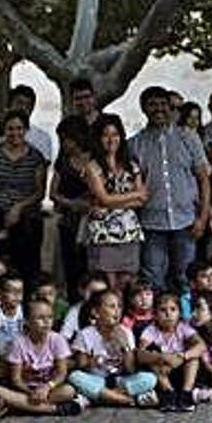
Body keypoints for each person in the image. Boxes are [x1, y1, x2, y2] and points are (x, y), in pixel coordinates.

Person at [129, 87, 212, 292]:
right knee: (153, 279)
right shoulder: (134, 144)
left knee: (186, 279)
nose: (158, 109)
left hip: (186, 222)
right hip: (151, 224)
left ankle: (186, 321)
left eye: (162, 104)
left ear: (169, 107)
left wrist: (202, 218)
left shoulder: (189, 138)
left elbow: (204, 180)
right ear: (143, 108)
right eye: (152, 105)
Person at [0, 110, 47, 279]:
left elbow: (39, 192)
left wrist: (18, 207)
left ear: (26, 130)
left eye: (19, 128)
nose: (15, 133)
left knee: (27, 257)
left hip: (26, 213)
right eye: (10, 129)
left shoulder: (35, 157)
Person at [85, 114, 147, 293]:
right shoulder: (92, 167)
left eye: (115, 134)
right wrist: (133, 195)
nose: (111, 139)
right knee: (106, 287)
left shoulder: (132, 166)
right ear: (98, 138)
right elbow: (104, 198)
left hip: (130, 233)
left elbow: (142, 200)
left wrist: (110, 203)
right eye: (106, 135)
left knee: (128, 286)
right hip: (103, 234)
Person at [68, 290, 159, 408]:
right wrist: (94, 361)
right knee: (75, 376)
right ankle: (126, 400)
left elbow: (130, 369)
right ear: (96, 312)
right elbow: (81, 365)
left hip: (120, 382)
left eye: (119, 306)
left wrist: (125, 346)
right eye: (112, 306)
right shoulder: (85, 334)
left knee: (150, 379)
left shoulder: (126, 332)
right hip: (97, 379)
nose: (117, 310)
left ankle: (102, 397)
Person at [6, 299, 85, 416]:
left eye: (49, 317)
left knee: (68, 391)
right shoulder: (18, 343)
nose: (46, 322)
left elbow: (61, 373)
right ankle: (54, 409)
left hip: (50, 390)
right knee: (1, 393)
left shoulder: (57, 339)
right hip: (26, 390)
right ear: (27, 321)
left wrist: (47, 387)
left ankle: (24, 407)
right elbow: (16, 380)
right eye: (40, 318)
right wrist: (32, 392)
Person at [136, 293, 206, 412]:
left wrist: (183, 356)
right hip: (162, 374)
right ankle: (168, 394)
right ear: (155, 315)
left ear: (179, 313)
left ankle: (186, 394)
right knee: (152, 359)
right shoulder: (151, 330)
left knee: (193, 358)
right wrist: (163, 358)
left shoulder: (183, 328)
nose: (168, 314)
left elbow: (201, 345)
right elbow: (140, 354)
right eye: (163, 310)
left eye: (173, 309)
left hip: (182, 372)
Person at [49, 116, 91, 302]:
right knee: (70, 266)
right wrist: (70, 203)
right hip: (68, 221)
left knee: (89, 265)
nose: (63, 144)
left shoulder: (94, 158)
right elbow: (53, 192)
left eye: (65, 139)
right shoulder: (63, 162)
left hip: (91, 221)